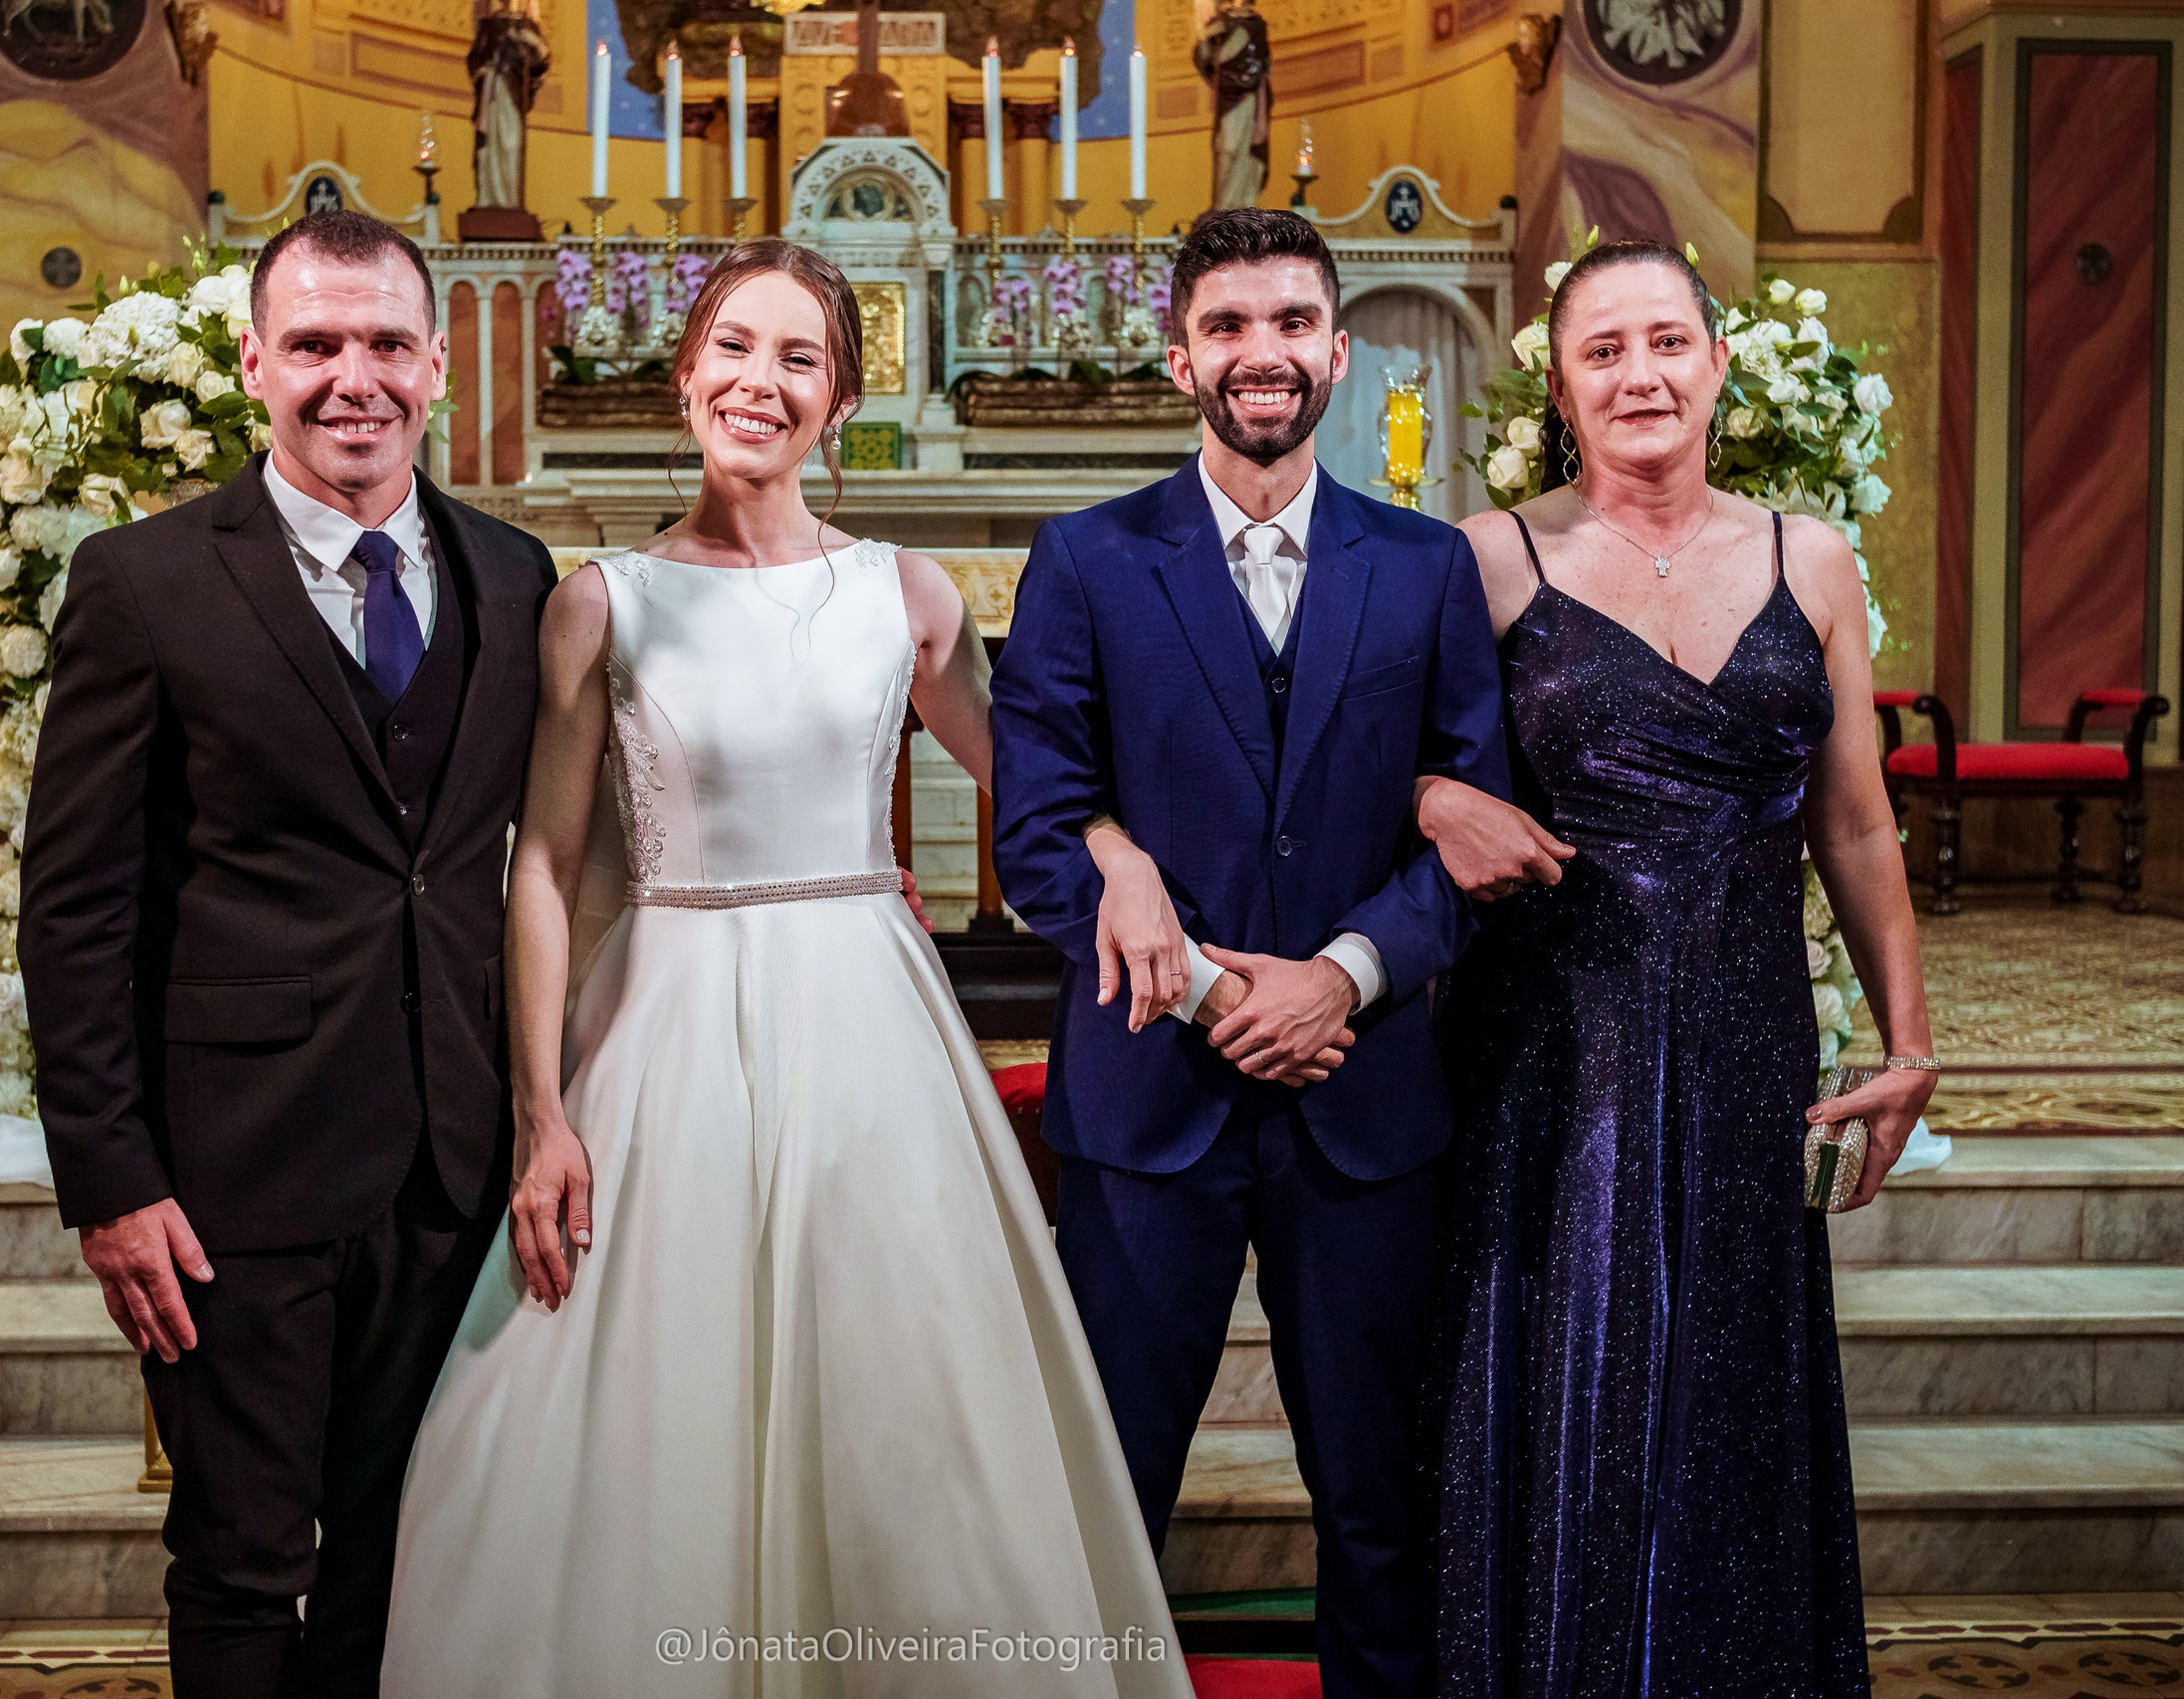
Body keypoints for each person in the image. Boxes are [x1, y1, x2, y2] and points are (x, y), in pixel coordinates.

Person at [380, 240, 1195, 1698]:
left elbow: (1035, 793)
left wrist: (1125, 860)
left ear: (841, 400)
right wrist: (544, 1113)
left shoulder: (909, 597)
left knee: (901, 1391)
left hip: (867, 1022)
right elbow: (547, 868)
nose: (760, 382)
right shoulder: (601, 602)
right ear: (686, 372)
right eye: (735, 351)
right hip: (670, 1017)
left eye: (798, 360)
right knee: (651, 1399)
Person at [19, 208, 556, 1698]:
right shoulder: (145, 583)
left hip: (452, 1167)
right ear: (255, 363)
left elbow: (527, 865)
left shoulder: (515, 577)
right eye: (314, 345)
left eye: (386, 343)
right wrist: (112, 1181)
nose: (353, 378)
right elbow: (73, 908)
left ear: (438, 365)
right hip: (232, 1178)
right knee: (247, 1559)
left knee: (408, 1558)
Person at [990, 206, 1514, 1699]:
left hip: (1368, 1105)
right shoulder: (1088, 561)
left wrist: (1343, 973)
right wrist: (1227, 987)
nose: (1261, 353)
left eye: (1291, 322)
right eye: (1227, 326)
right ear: (1178, 358)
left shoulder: (1426, 568)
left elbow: (1473, 830)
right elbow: (1038, 829)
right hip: (1153, 1104)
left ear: (1340, 352)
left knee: (1378, 1503)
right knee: (1106, 1496)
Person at [1414, 240, 1938, 1697]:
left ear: (1717, 364)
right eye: (1602, 352)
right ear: (1561, 388)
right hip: (1547, 1035)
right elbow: (1369, 769)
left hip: (1745, 1026)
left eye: (1665, 344)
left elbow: (1858, 819)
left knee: (1726, 1369)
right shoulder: (1488, 559)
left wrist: (1906, 1040)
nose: (1638, 374)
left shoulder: (1809, 557)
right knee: (1564, 1357)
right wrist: (1425, 798)